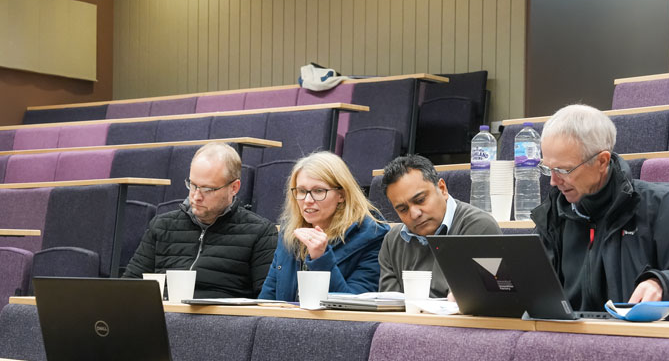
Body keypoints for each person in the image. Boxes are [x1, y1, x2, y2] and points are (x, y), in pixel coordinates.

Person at [532, 104, 669, 320]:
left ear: (602, 161)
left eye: (563, 170)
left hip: (636, 343)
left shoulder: (658, 206)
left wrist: (663, 284)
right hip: (565, 342)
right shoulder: (552, 215)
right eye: (547, 169)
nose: (553, 181)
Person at [123, 143, 278, 298]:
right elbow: (129, 286)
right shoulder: (162, 226)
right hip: (163, 317)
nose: (196, 196)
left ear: (234, 187)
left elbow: (266, 302)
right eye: (192, 185)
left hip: (222, 320)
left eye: (207, 189)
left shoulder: (260, 233)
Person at [258, 152, 389, 301]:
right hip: (284, 322)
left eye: (318, 191)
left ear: (342, 194)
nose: (307, 200)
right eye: (301, 191)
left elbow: (354, 307)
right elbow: (267, 299)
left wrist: (321, 258)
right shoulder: (289, 232)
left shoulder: (372, 235)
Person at [379, 154, 501, 298]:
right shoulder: (392, 241)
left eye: (420, 200)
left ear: (442, 189)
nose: (414, 214)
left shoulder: (480, 228)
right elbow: (391, 306)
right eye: (402, 209)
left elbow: (492, 300)